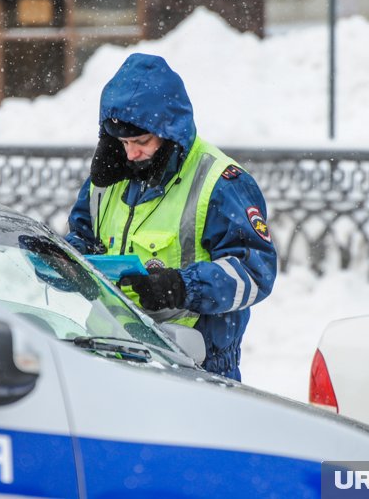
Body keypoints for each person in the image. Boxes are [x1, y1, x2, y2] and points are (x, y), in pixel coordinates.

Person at [65, 53, 277, 381]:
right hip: (110, 357)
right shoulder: (107, 179)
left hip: (194, 367)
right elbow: (82, 238)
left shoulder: (220, 182)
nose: (130, 153)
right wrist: (66, 262)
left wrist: (181, 286)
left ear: (170, 132)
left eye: (141, 141)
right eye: (122, 142)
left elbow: (255, 272)